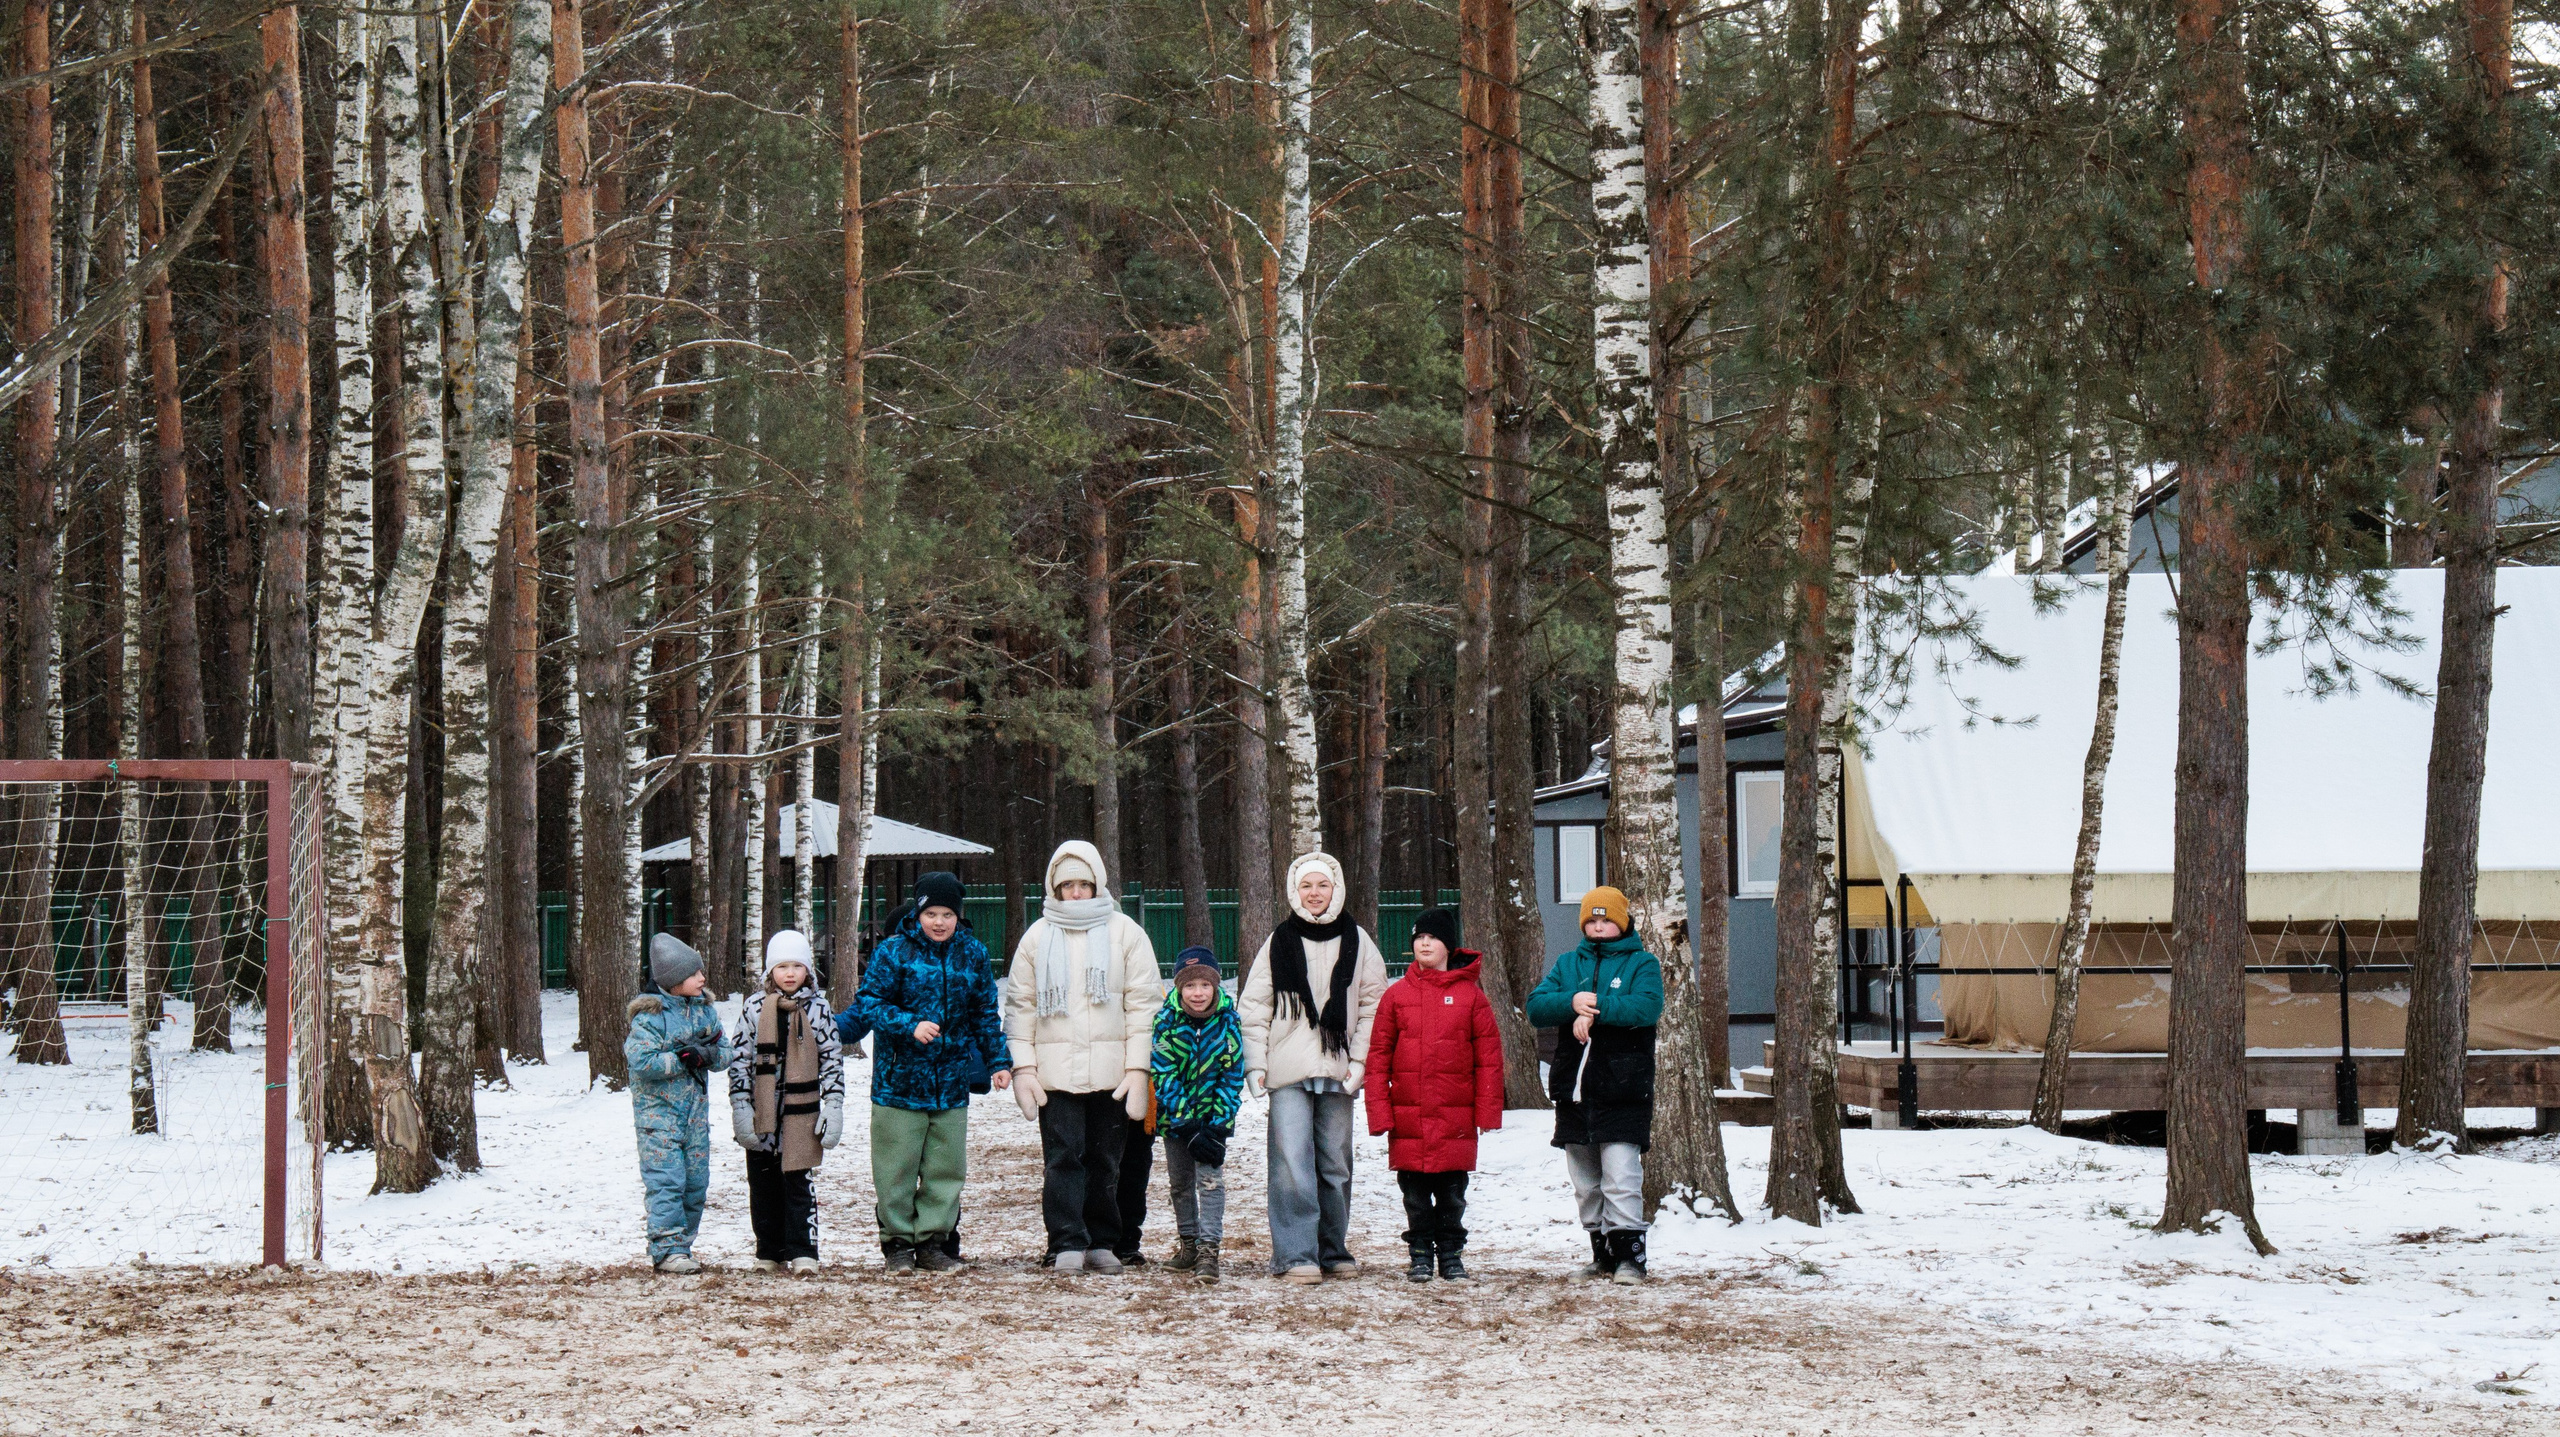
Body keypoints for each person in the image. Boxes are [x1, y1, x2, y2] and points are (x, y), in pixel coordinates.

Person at [1003, 839, 1163, 1272]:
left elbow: (1144, 1004)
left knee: (1106, 1161)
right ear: (1054, 888)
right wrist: (1025, 1068)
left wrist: (1137, 1067)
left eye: (1084, 884)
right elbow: (1020, 1006)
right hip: (1055, 1076)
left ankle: (1103, 1241)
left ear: (1098, 885)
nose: (1076, 893)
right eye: (1067, 885)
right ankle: (1066, 1241)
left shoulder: (1126, 932)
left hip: (1113, 1076)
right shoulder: (1037, 937)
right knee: (1062, 1160)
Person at [1239, 851, 1389, 1283]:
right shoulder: (1279, 940)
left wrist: (1360, 1060)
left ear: (1335, 889)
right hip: (1287, 1071)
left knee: (1335, 1164)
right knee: (1291, 1162)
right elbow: (1254, 1006)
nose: (1315, 893)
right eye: (1307, 885)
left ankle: (1332, 1249)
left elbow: (1373, 1006)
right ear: (1295, 891)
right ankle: (1295, 1254)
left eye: (1322, 885)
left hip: (1339, 1069)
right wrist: (1256, 1063)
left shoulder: (1358, 940)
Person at [854, 871, 1011, 1273]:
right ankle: (898, 1245)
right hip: (898, 1084)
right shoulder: (893, 951)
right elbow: (869, 1003)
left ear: (958, 916)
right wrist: (909, 1023)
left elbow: (983, 1013)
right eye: (932, 914)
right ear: (918, 912)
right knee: (896, 1170)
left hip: (951, 1083)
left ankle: (933, 1243)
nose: (939, 922)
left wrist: (997, 1061)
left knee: (946, 1170)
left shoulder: (972, 953)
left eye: (948, 914)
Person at [1524, 886, 1662, 1285]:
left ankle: (1630, 1260)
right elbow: (1536, 1007)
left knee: (1621, 1176)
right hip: (1574, 1090)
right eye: (1592, 920)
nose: (1599, 927)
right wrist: (1572, 1002)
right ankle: (1601, 1255)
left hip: (1624, 1088)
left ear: (1621, 922)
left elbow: (1646, 1006)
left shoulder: (1643, 963)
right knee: (1586, 1183)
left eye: (1607, 920)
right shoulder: (1569, 963)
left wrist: (1593, 1009)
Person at [1364, 907, 1504, 1282]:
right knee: (1414, 1194)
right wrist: (1379, 1112)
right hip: (1409, 1118)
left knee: (1453, 1194)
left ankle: (1452, 1254)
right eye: (1419, 938)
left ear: (1448, 945)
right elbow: (1377, 1059)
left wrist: (1487, 1112)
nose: (1425, 943)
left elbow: (1488, 1059)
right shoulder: (1395, 997)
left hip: (1454, 1118)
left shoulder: (1471, 997)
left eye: (1433, 937)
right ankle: (1420, 1253)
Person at [727, 929, 846, 1274]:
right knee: (762, 1184)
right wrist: (740, 1104)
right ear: (770, 972)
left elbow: (832, 1060)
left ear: (808, 970)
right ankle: (769, 1250)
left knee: (798, 1184)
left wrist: (833, 1104)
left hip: (802, 1115)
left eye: (798, 965)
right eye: (782, 966)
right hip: (762, 1113)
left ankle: (802, 1249)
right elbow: (739, 1058)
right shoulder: (753, 1008)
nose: (790, 973)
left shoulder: (819, 1011)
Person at [625, 934, 732, 1273]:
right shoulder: (650, 1018)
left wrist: (709, 1055)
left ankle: (682, 1247)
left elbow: (726, 1053)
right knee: (667, 1182)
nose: (702, 979)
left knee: (696, 1183)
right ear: (673, 980)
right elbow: (641, 1062)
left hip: (695, 1121)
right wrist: (683, 1058)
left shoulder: (705, 1012)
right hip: (659, 1121)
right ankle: (667, 1248)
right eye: (695, 973)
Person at [1151, 945, 1244, 1283]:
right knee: (1180, 1183)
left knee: (1210, 1181)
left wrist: (1217, 1124)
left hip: (1213, 1121)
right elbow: (1163, 1072)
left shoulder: (1229, 1022)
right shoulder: (1165, 1022)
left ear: (1215, 986)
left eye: (1205, 985)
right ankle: (1188, 1242)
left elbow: (1232, 1074)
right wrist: (1185, 1122)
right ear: (1179, 988)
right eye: (1190, 986)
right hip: (1177, 1122)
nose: (1198, 993)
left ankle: (1209, 1249)